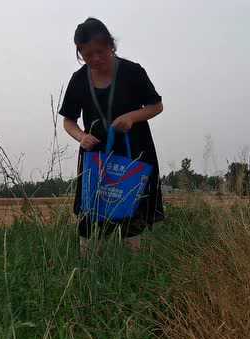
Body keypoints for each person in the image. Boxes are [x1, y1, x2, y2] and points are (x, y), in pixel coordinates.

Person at [59, 17, 165, 256]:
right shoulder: (78, 79)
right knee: (91, 213)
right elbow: (68, 121)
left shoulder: (132, 71)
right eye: (87, 55)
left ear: (111, 45)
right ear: (80, 54)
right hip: (96, 156)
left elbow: (156, 106)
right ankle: (88, 267)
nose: (95, 59)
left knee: (132, 211)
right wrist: (81, 137)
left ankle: (132, 268)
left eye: (100, 51)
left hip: (133, 152)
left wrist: (132, 117)